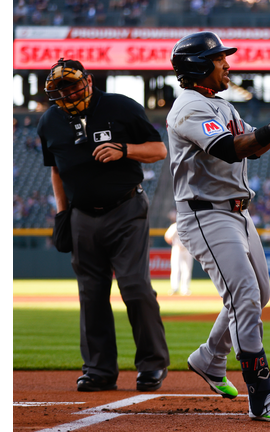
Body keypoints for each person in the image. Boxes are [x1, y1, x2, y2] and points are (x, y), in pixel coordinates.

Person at [166, 31, 270, 422]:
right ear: (197, 67)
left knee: (258, 293)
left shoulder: (220, 106)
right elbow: (229, 148)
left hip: (236, 213)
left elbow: (254, 145)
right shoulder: (188, 108)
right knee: (244, 296)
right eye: (218, 59)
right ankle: (262, 398)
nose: (226, 63)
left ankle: (210, 357)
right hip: (205, 214)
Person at [38, 58, 170, 393]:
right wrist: (63, 214)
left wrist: (123, 149)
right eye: (60, 88)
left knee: (135, 288)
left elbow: (158, 150)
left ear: (89, 80)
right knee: (92, 295)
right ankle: (98, 370)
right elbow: (56, 170)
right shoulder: (49, 122)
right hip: (82, 215)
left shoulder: (121, 106)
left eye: (72, 84)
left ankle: (152, 366)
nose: (68, 92)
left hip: (125, 209)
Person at [164, 211, 193, 296]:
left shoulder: (190, 226)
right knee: (176, 268)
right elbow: (167, 237)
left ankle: (185, 288)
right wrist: (174, 243)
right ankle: (175, 288)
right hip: (177, 248)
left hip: (188, 248)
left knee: (187, 269)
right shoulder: (175, 226)